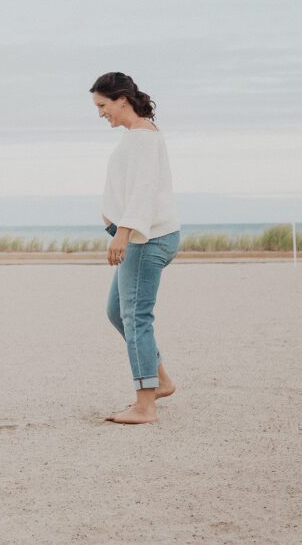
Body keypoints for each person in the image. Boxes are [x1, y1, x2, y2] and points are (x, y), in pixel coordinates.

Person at [90, 71, 181, 424]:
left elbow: (143, 189)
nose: (100, 114)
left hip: (146, 238)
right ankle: (160, 380)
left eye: (103, 105)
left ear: (122, 99)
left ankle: (145, 405)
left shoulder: (142, 137)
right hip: (143, 236)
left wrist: (123, 233)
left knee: (137, 317)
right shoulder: (137, 135)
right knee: (118, 312)